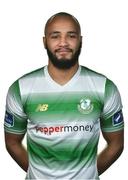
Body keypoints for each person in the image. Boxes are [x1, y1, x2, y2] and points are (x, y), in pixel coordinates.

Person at [4, 12, 124, 180]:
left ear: (80, 40)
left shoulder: (104, 87)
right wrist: (37, 173)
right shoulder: (21, 88)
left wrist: (89, 174)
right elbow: (12, 142)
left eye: (71, 36)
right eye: (55, 36)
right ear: (44, 41)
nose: (63, 42)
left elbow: (116, 143)